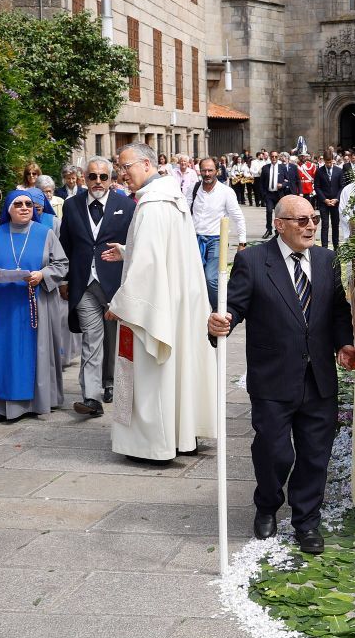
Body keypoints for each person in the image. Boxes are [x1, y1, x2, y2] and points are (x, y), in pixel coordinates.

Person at [208, 194, 355, 555]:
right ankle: (267, 504)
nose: (310, 226)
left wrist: (344, 344)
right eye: (301, 220)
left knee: (314, 454)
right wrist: (220, 323)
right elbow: (234, 308)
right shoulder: (253, 261)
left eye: (314, 219)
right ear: (279, 225)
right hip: (273, 376)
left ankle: (307, 521)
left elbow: (338, 311)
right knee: (275, 452)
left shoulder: (327, 260)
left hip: (319, 375)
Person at [101, 142, 216, 462]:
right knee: (175, 371)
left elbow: (148, 266)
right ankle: (180, 434)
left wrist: (120, 303)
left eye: (126, 167)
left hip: (156, 305)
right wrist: (126, 251)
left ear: (147, 164)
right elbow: (164, 253)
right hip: (178, 300)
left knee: (152, 373)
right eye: (119, 168)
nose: (121, 175)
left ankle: (152, 443)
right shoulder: (170, 198)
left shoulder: (152, 204)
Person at [0, 190, 69, 423]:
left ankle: (37, 402)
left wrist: (43, 274)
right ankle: (0, 406)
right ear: (8, 209)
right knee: (0, 351)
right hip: (2, 305)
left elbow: (62, 264)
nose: (25, 207)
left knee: (37, 351)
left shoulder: (45, 233)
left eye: (29, 204)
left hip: (36, 303)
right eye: (18, 204)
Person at [58, 157, 135, 417]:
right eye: (93, 176)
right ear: (84, 177)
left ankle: (110, 383)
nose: (98, 182)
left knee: (113, 336)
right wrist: (65, 279)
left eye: (104, 177)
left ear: (112, 179)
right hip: (83, 284)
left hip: (114, 283)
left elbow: (134, 246)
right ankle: (91, 397)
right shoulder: (71, 206)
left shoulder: (126, 206)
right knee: (91, 339)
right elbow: (65, 245)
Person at [190, 156, 247, 310]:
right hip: (194, 239)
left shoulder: (226, 192)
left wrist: (242, 243)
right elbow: (185, 213)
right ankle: (200, 313)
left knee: (211, 279)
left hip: (216, 240)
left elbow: (238, 217)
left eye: (210, 170)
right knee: (195, 280)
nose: (207, 173)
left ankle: (220, 311)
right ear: (199, 171)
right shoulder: (194, 188)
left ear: (217, 171)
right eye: (204, 170)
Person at [259, 152, 297, 238]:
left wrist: (282, 185)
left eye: (276, 156)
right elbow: (261, 183)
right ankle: (269, 229)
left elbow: (288, 181)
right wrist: (264, 194)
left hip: (279, 194)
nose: (274, 158)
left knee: (279, 213)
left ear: (278, 157)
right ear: (270, 157)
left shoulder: (282, 168)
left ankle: (278, 230)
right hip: (269, 194)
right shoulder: (265, 168)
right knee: (269, 211)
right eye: (272, 156)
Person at [313, 152, 346, 249]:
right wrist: (324, 199)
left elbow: (342, 186)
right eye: (326, 162)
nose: (328, 164)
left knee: (335, 225)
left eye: (330, 162)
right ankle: (324, 247)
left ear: (333, 160)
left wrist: (337, 199)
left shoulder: (339, 171)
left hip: (335, 202)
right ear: (324, 161)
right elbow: (317, 187)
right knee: (325, 224)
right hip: (324, 202)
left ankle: (336, 246)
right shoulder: (319, 171)